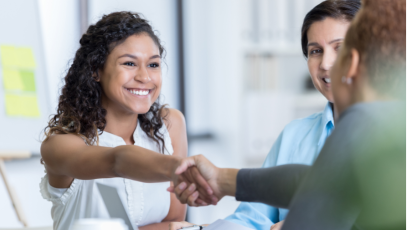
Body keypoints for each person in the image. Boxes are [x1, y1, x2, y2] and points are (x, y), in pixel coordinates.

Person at [171, 0, 406, 229]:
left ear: (357, 59)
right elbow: (264, 210)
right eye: (315, 51)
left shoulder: (376, 127)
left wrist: (223, 180)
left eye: (340, 48)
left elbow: (322, 188)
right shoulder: (296, 134)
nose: (326, 64)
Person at [39, 12, 213, 230]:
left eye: (153, 65)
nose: (145, 77)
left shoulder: (170, 125)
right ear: (96, 70)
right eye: (129, 63)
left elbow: (172, 222)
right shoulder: (60, 145)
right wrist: (179, 167)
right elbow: (117, 160)